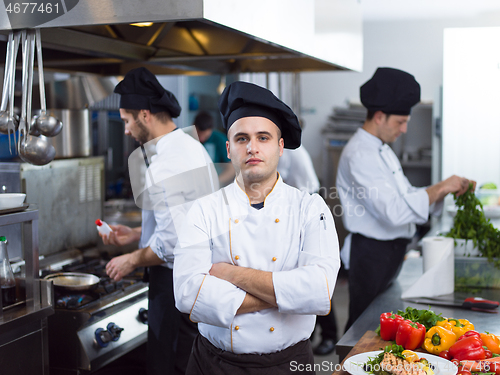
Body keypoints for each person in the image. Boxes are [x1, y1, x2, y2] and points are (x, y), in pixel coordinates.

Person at [173, 81, 341, 374]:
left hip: (288, 364)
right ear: (228, 148)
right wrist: (286, 297)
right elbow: (188, 294)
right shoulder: (203, 210)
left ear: (280, 146)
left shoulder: (310, 208)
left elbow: (319, 292)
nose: (252, 147)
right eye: (241, 138)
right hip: (214, 364)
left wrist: (231, 274)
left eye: (263, 137)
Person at [336, 67, 475, 331]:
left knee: (379, 324)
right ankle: (346, 371)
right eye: (400, 122)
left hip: (388, 253)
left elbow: (407, 194)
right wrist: (442, 186)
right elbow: (395, 211)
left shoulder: (381, 149)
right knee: (361, 329)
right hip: (370, 255)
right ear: (379, 116)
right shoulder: (360, 155)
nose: (404, 129)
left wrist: (443, 190)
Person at [101, 67, 218, 375]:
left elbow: (171, 243)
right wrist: (138, 233)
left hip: (174, 282)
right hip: (198, 278)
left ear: (144, 114)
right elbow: (187, 220)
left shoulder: (166, 162)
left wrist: (131, 259)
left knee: (168, 365)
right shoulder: (191, 147)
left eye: (127, 120)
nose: (125, 129)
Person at [277, 145, 337, 355]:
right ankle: (315, 333)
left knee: (315, 276)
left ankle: (330, 335)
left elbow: (278, 177)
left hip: (306, 203)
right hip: (304, 199)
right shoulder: (295, 148)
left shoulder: (288, 150)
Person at [194, 110, 235, 186]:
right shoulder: (190, 139)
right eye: (199, 135)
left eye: (204, 135)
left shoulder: (220, 140)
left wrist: (216, 183)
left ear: (211, 129)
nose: (201, 138)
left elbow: (231, 168)